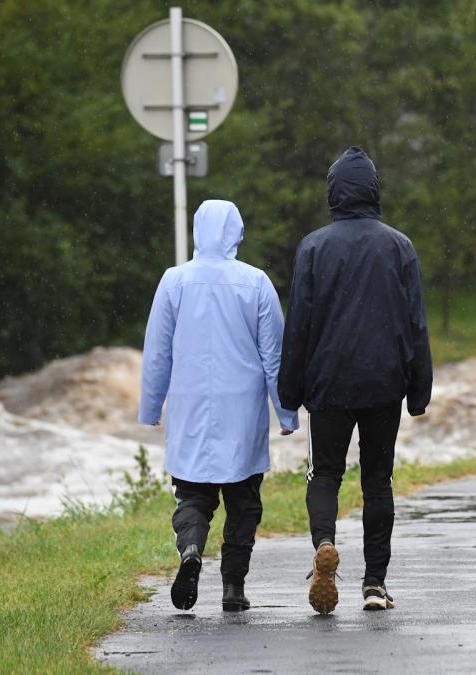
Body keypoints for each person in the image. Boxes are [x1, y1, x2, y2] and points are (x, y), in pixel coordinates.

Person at [278, 147, 432, 614]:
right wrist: (419, 390)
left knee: (324, 473)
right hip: (383, 383)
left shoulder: (313, 247)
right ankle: (374, 583)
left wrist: (289, 390)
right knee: (377, 480)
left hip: (327, 385)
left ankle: (324, 544)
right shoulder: (399, 246)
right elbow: (416, 324)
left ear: (333, 193)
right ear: (373, 191)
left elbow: (299, 325)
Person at [139, 199, 299, 613]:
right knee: (243, 501)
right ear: (236, 233)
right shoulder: (256, 282)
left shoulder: (173, 282)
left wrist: (150, 407)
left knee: (192, 494)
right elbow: (274, 356)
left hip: (190, 405)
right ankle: (233, 588)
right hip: (242, 409)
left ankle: (191, 547)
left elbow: (158, 353)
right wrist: (286, 411)